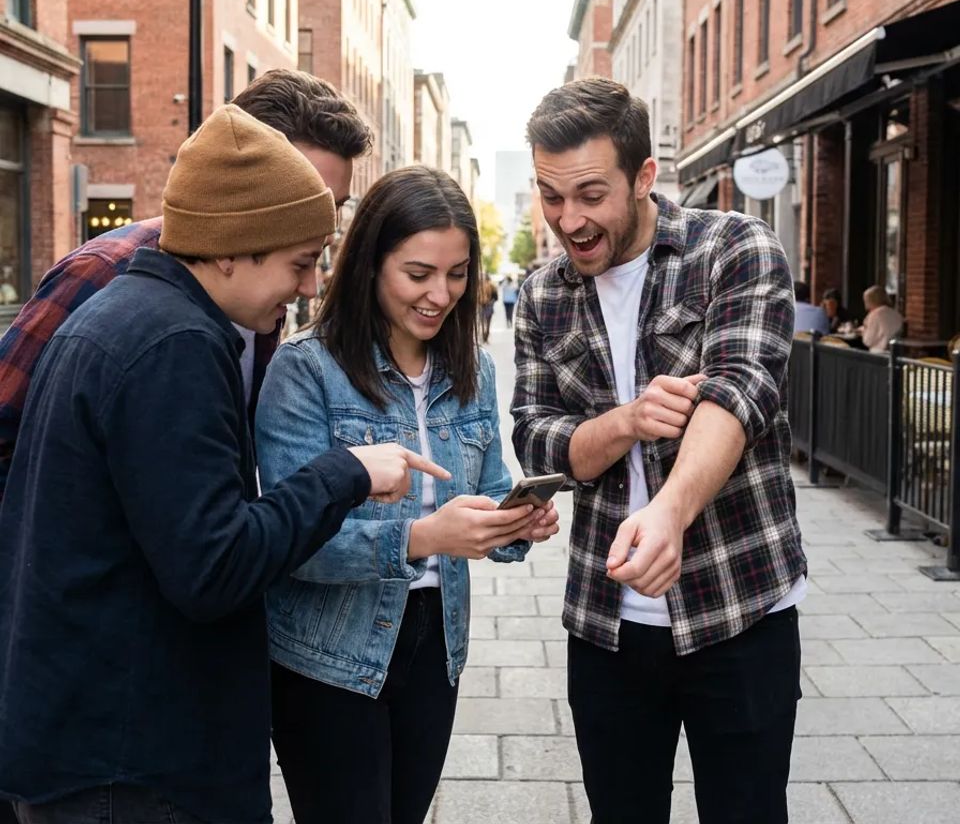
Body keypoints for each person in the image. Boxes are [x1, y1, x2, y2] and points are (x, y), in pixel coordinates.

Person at [0, 105, 447, 824]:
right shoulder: (174, 344)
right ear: (232, 248)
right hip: (132, 760)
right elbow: (214, 567)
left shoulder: (131, 317)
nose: (307, 289)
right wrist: (346, 473)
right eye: (299, 263)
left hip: (100, 740)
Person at [511, 78, 806, 824]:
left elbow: (739, 392)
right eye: (550, 196)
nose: (568, 220)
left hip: (740, 607)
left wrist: (671, 513)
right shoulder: (542, 295)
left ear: (644, 177)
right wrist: (626, 422)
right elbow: (538, 440)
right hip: (608, 623)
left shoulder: (733, 250)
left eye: (589, 194)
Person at [255, 166, 560, 824]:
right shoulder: (307, 370)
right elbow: (289, 542)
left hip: (433, 644)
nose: (440, 294)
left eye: (456, 274)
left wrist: (514, 525)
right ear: (369, 263)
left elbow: (488, 490)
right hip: (327, 654)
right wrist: (425, 538)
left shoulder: (472, 366)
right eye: (417, 274)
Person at [0, 68, 372, 500]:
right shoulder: (104, 270)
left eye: (334, 206)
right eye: (301, 195)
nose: (317, 225)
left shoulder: (269, 290)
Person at [860, 284, 904, 352]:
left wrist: (863, 332)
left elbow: (868, 341)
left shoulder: (874, 315)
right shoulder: (896, 314)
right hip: (895, 353)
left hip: (879, 354)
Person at [479, 273, 498, 341]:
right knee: (488, 322)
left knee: (482, 322)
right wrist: (490, 302)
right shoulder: (492, 286)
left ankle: (483, 335)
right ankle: (486, 336)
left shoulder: (479, 286)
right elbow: (496, 297)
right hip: (489, 306)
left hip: (481, 305)